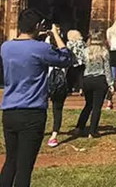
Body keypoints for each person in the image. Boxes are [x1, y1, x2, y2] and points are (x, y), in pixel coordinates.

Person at [0, 10, 71, 187]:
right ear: (38, 26)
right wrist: (55, 35)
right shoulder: (41, 48)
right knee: (24, 167)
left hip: (9, 111)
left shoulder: (5, 47)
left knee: (11, 162)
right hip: (32, 112)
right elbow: (66, 58)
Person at [75, 32, 114, 138]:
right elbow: (107, 69)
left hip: (87, 80)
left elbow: (81, 68)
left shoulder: (85, 51)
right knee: (97, 107)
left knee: (88, 104)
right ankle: (92, 131)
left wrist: (80, 85)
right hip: (100, 80)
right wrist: (110, 83)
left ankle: (79, 127)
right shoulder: (104, 52)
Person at [46, 25, 70, 148]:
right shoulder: (63, 50)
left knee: (53, 109)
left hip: (52, 82)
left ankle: (53, 134)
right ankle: (53, 135)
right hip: (56, 82)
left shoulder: (45, 50)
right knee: (56, 109)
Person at [66, 30, 86, 95]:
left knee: (70, 76)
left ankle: (70, 89)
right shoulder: (82, 42)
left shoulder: (69, 43)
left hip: (72, 62)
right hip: (81, 61)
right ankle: (81, 89)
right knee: (81, 76)